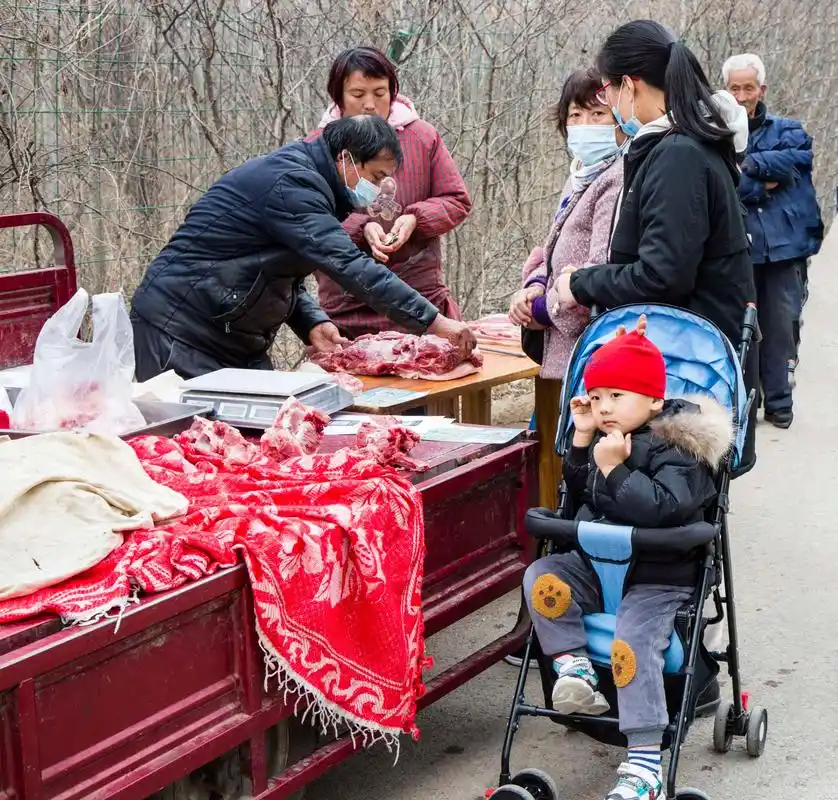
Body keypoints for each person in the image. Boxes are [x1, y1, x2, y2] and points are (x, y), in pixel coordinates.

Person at [523, 318, 733, 800]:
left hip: (658, 575)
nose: (603, 407)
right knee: (543, 576)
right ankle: (574, 667)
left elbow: (666, 507)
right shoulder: (602, 437)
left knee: (631, 645)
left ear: (654, 401)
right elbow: (579, 500)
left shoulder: (681, 447)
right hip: (597, 565)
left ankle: (643, 763)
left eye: (616, 396)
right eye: (596, 397)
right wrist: (580, 442)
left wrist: (615, 469)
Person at [552, 20, 758, 475]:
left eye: (606, 92)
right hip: (686, 345)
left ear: (629, 85)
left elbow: (664, 272)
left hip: (690, 360)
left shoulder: (679, 155)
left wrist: (580, 284)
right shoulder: (678, 146)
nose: (607, 104)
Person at [130, 115, 475, 381]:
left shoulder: (313, 185)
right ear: (346, 159)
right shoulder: (291, 184)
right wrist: (433, 322)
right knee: (198, 454)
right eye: (375, 174)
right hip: (180, 331)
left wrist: (311, 321)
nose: (377, 188)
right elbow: (352, 267)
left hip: (229, 334)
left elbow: (277, 270)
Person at [309, 46, 471, 339]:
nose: (369, 104)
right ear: (339, 97)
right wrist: (362, 227)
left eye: (380, 92)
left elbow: (457, 200)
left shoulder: (422, 137)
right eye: (358, 94)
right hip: (347, 304)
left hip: (421, 299)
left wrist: (415, 219)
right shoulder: (318, 148)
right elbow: (309, 219)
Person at [723, 53, 824, 428]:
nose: (742, 95)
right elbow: (726, 184)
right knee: (743, 327)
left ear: (761, 89)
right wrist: (761, 177)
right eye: (735, 88)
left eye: (749, 87)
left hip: (784, 247)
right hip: (740, 249)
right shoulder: (720, 134)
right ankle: (750, 400)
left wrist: (746, 164)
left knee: (781, 325)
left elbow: (797, 163)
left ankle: (780, 403)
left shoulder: (789, 129)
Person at [507, 68, 626, 379]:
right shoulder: (578, 176)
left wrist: (544, 311)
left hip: (593, 351)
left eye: (598, 113)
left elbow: (601, 267)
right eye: (575, 114)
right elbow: (554, 249)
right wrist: (533, 287)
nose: (584, 125)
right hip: (559, 347)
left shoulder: (617, 179)